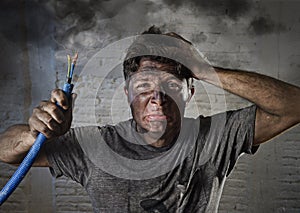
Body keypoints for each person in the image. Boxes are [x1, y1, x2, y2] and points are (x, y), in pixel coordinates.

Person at [0, 26, 300, 212]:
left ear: (189, 92)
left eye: (170, 85)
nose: (157, 97)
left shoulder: (216, 136)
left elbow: (294, 106)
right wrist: (36, 132)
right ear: (127, 92)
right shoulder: (95, 145)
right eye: (143, 86)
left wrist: (203, 69)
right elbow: (6, 152)